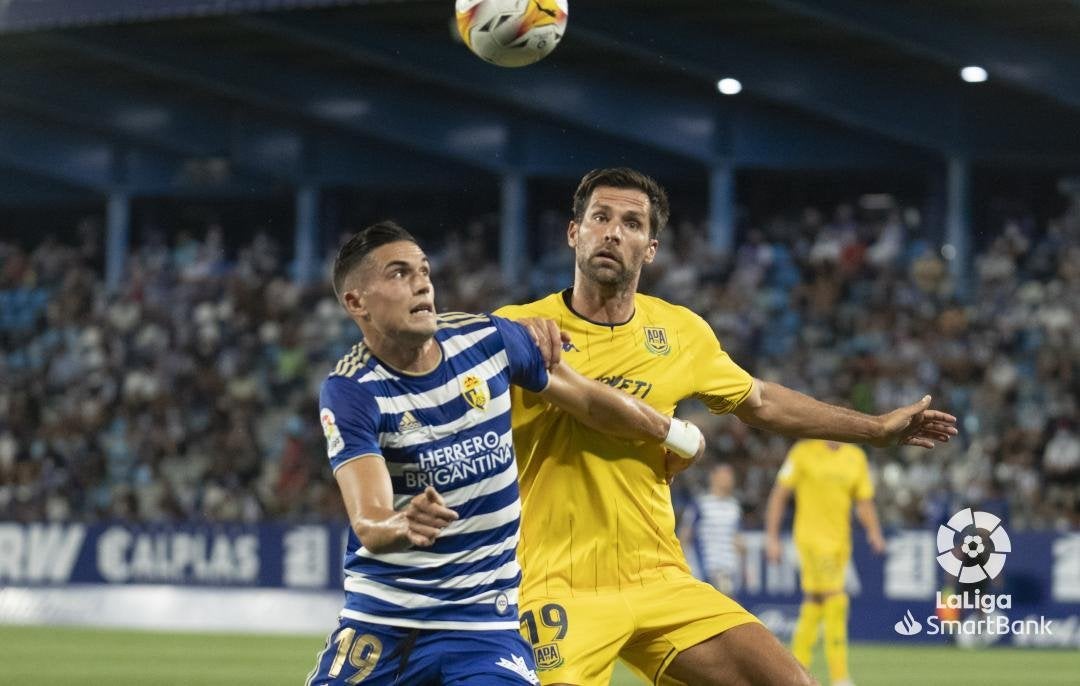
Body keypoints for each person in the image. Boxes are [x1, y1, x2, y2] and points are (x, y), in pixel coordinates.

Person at [494, 167, 957, 686]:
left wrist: (874, 429)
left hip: (659, 575)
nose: (613, 232)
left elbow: (759, 399)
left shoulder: (680, 332)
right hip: (557, 583)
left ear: (650, 248)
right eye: (600, 217)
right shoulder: (518, 328)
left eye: (631, 223)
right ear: (573, 231)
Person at [306, 221, 705, 686]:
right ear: (356, 303)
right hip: (383, 622)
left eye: (424, 271)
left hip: (484, 626)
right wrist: (401, 523)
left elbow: (592, 401)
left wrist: (674, 433)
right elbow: (369, 517)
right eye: (399, 274)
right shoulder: (352, 390)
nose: (422, 284)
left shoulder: (489, 341)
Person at [764, 440, 886, 686]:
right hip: (811, 539)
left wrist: (874, 531)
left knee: (815, 601)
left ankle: (795, 669)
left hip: (841, 541)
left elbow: (863, 501)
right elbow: (780, 494)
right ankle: (840, 676)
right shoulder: (803, 451)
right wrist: (772, 537)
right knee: (836, 598)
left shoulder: (855, 456)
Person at [679, 463, 744, 596]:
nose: (729, 479)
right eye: (725, 475)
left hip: (728, 571)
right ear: (713, 477)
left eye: (730, 476)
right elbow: (685, 535)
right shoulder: (700, 504)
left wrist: (743, 564)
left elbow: (737, 538)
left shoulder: (734, 507)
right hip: (704, 571)